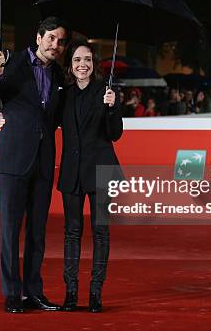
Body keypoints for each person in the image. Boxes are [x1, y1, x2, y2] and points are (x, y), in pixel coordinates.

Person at [0, 17, 70, 314]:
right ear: (39, 37)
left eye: (61, 41)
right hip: (13, 159)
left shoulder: (58, 75)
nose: (56, 45)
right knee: (10, 230)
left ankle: (34, 292)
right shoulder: (12, 63)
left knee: (37, 232)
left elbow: (54, 118)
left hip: (43, 161)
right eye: (52, 38)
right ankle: (12, 294)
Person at [55, 41, 122, 313]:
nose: (83, 64)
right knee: (71, 233)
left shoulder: (106, 92)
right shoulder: (63, 95)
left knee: (100, 233)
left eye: (88, 59)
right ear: (70, 65)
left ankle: (96, 294)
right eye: (77, 59)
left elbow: (114, 134)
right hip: (71, 173)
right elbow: (44, 121)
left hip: (101, 171)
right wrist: (7, 118)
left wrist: (112, 107)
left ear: (94, 64)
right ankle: (71, 294)